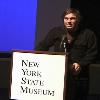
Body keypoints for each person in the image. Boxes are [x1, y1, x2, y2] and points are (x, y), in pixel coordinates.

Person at [35, 8, 97, 100]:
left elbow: (93, 53)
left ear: (78, 20)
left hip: (79, 78)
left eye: (72, 18)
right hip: (58, 76)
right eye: (66, 18)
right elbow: (42, 47)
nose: (69, 21)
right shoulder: (56, 32)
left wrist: (81, 64)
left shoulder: (88, 34)